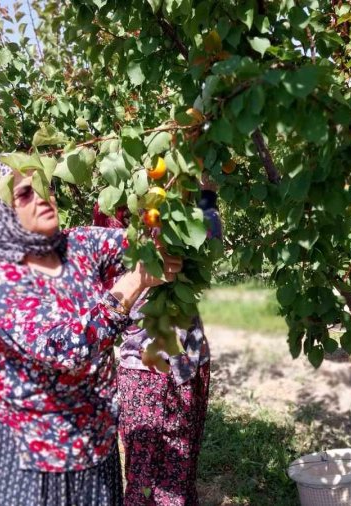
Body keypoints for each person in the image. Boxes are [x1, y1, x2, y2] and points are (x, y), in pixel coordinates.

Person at [0, 155, 182, 506]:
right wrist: (134, 282)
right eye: (25, 194)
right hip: (29, 455)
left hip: (93, 442)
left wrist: (189, 174)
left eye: (43, 186)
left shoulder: (74, 245)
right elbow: (62, 348)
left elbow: (151, 238)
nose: (42, 197)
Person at [94, 177, 220, 506]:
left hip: (191, 359)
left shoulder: (177, 203)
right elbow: (112, 282)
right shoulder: (116, 211)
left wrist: (206, 196)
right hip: (145, 370)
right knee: (146, 477)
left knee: (182, 466)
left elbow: (209, 239)